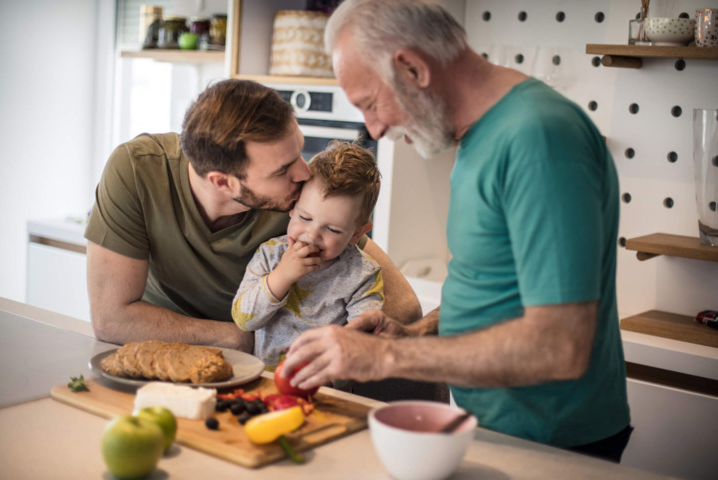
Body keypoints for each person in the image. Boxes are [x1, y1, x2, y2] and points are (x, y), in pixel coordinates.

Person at [282, 0, 632, 462]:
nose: (375, 128)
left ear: (412, 67)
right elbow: (494, 287)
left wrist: (385, 360)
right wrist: (415, 334)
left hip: (552, 439)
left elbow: (561, 347)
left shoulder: (537, 138)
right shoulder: (481, 135)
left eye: (370, 104)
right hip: (497, 424)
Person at [84, 79, 421, 352]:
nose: (304, 173)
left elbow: (404, 306)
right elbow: (111, 320)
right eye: (283, 169)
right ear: (223, 182)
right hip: (162, 351)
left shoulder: (301, 208)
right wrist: (242, 339)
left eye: (300, 152)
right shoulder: (137, 170)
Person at [231, 140, 383, 368]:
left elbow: (363, 343)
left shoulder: (363, 275)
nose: (311, 236)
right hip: (265, 379)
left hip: (325, 384)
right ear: (292, 208)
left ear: (357, 233)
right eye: (305, 218)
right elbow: (244, 320)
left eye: (332, 229)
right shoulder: (270, 254)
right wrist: (282, 276)